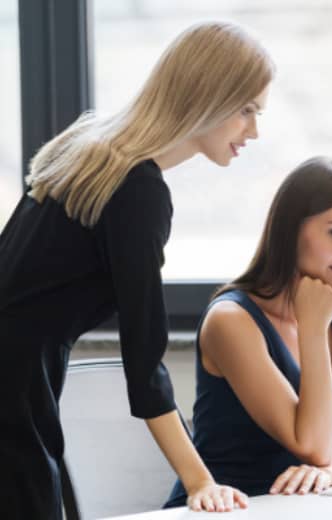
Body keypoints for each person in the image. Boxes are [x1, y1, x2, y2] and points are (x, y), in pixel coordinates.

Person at [0, 21, 274, 519]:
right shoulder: (137, 189)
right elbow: (144, 361)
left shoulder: (87, 146)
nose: (253, 131)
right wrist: (200, 482)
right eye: (247, 110)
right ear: (208, 96)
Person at [165, 156, 332, 506]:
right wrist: (314, 329)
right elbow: (314, 447)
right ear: (290, 231)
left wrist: (329, 475)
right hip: (224, 509)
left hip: (294, 505)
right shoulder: (231, 320)